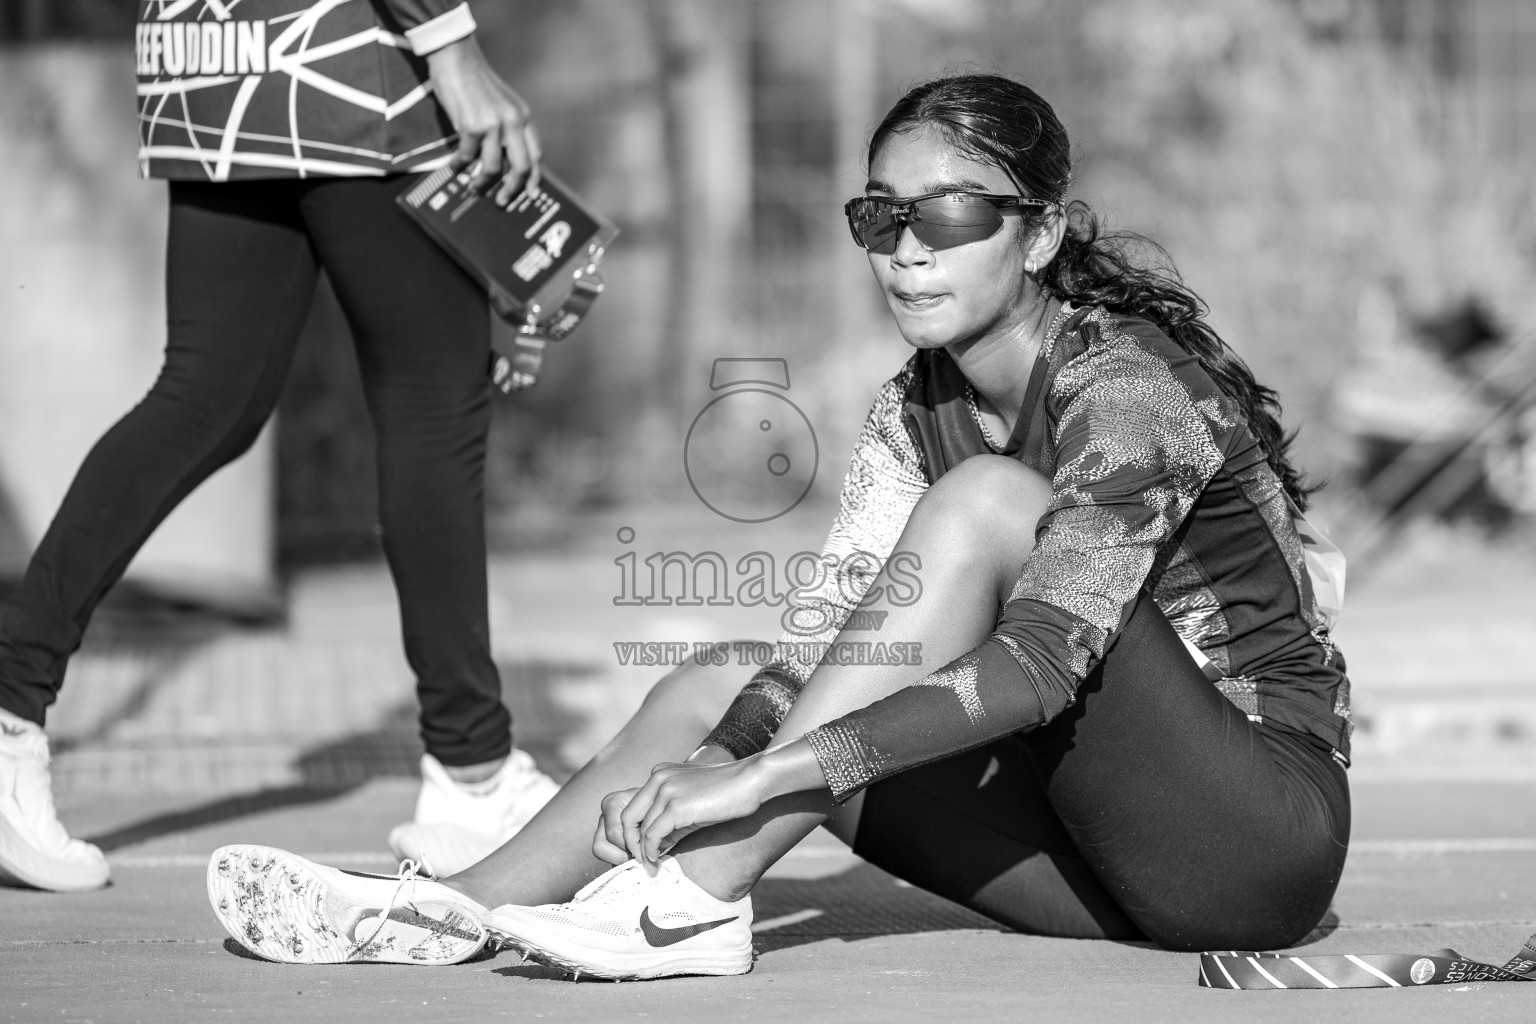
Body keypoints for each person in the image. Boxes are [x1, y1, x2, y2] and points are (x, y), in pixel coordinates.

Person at [203, 72, 1352, 977]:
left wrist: (753, 787)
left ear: (1041, 235)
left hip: (1250, 845)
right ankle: (456, 910)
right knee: (728, 678)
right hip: (1096, 855)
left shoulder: (1125, 385)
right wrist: (717, 752)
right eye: (880, 214)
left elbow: (1045, 666)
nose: (907, 246)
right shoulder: (916, 406)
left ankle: (698, 902)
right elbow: (825, 643)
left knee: (988, 508)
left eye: (948, 213)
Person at [0, 1, 559, 894]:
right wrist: (450, 44)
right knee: (432, 404)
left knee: (207, 396)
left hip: (214, 61)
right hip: (352, 67)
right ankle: (473, 772)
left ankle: (9, 696)